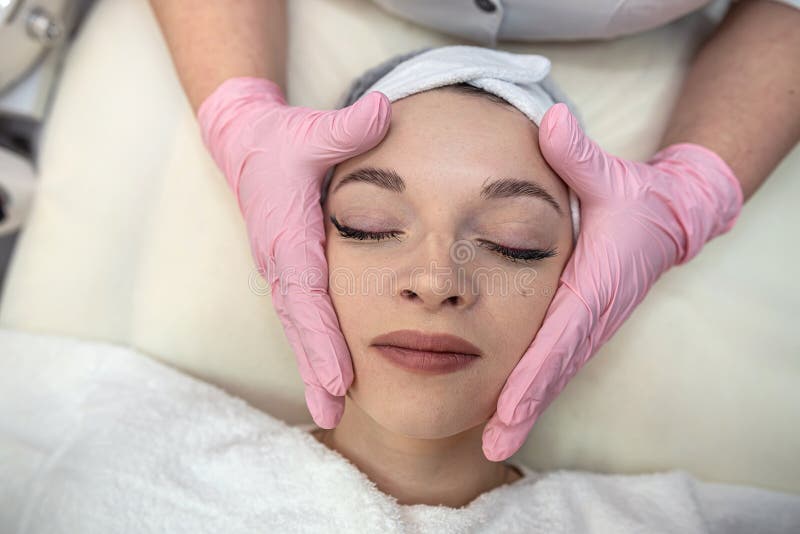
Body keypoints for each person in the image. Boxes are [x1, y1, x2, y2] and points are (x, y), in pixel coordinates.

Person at [148, 0, 800, 462]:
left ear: (582, 272)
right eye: (369, 226)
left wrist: (697, 189)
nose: (436, 282)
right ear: (304, 230)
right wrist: (235, 112)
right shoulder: (114, 438)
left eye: (515, 241)